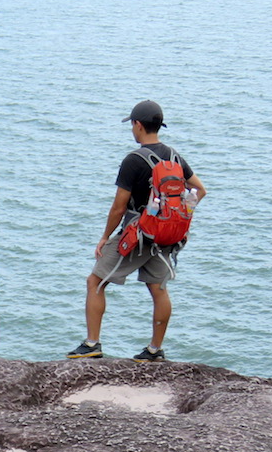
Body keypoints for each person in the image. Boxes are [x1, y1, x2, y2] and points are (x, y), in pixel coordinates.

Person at [67, 100, 206, 362]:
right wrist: (177, 218)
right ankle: (155, 350)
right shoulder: (174, 156)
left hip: (138, 234)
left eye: (132, 125)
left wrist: (105, 237)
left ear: (138, 125)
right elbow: (200, 190)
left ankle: (92, 343)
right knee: (158, 288)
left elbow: (119, 207)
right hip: (167, 237)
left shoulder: (133, 160)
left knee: (95, 281)